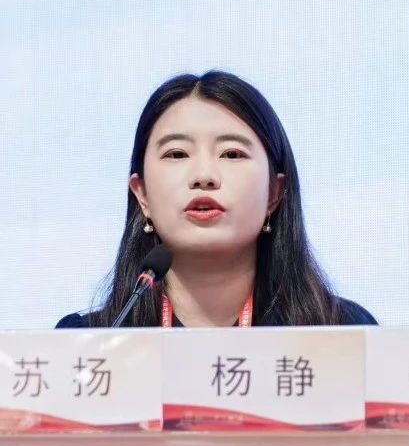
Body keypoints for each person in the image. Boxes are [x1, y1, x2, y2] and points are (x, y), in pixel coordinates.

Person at [57, 71, 375, 328]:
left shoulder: (343, 333)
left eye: (232, 154)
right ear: (142, 195)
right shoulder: (87, 345)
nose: (204, 176)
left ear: (275, 192)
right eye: (177, 154)